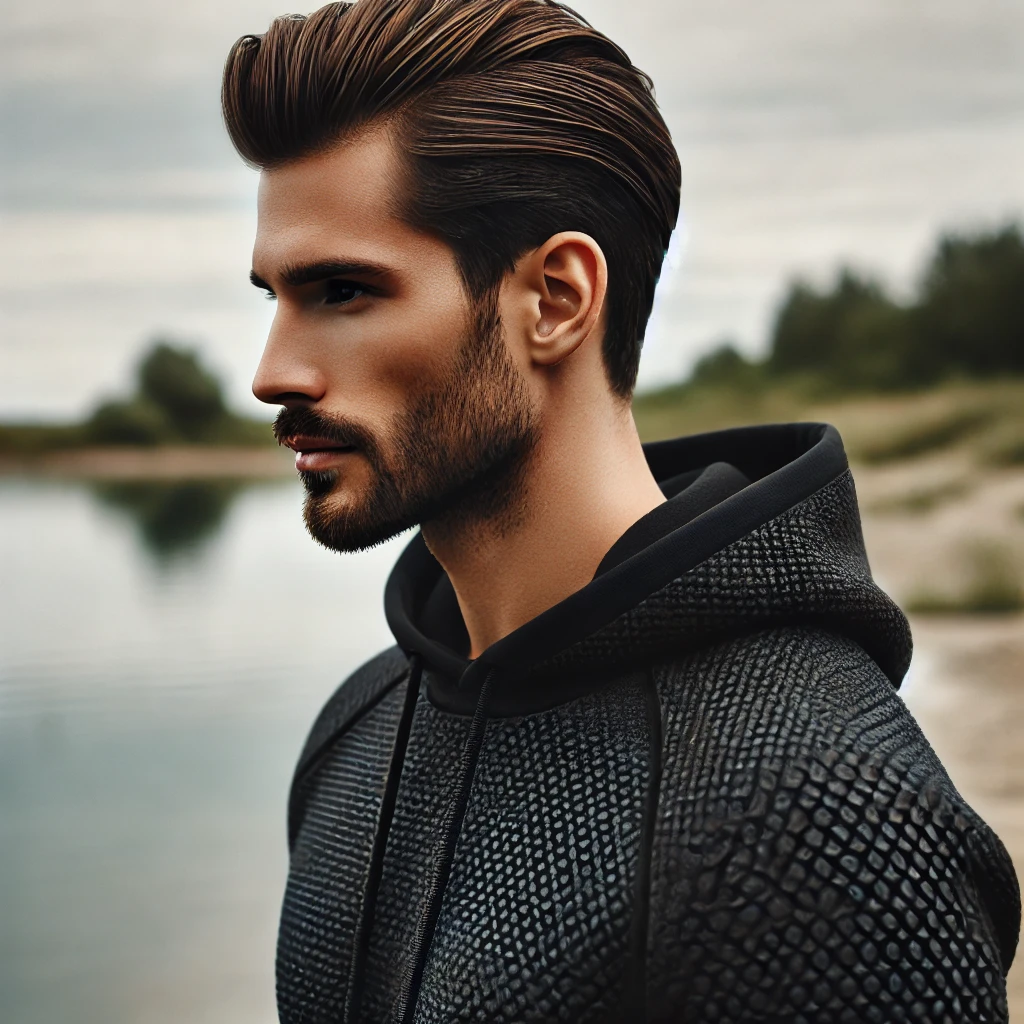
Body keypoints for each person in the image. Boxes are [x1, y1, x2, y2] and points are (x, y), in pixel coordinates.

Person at [222, 1, 1019, 1020]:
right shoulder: (360, 729)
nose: (270, 371)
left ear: (554, 298)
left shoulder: (815, 814)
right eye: (273, 296)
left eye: (342, 291)